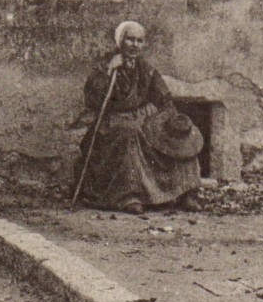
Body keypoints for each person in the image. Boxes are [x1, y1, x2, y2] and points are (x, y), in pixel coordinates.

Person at [74, 20, 202, 214]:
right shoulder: (104, 66)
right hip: (112, 125)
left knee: (182, 134)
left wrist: (170, 118)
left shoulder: (146, 69)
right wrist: (110, 71)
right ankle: (129, 196)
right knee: (130, 134)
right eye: (130, 40)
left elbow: (164, 98)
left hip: (144, 122)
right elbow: (93, 99)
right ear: (120, 41)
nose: (135, 45)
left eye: (139, 41)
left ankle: (186, 192)